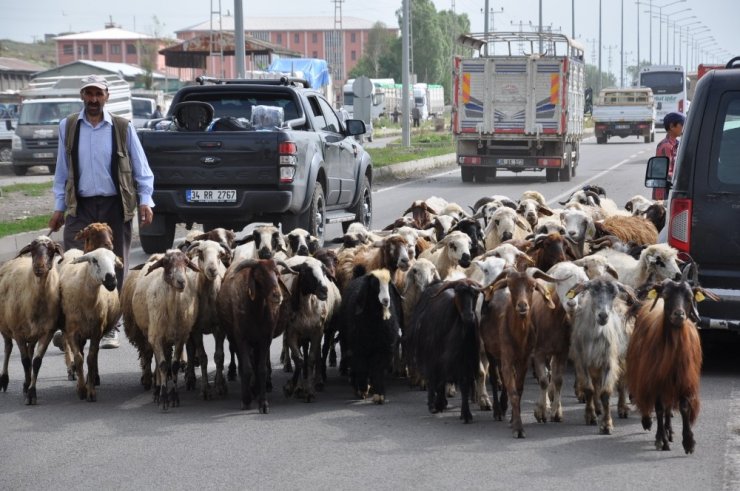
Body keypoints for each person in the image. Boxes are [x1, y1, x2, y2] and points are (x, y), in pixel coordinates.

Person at [49, 74, 155, 349]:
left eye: (98, 94)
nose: (93, 99)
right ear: (82, 96)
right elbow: (62, 170)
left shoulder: (121, 127)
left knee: (114, 264)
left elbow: (141, 168)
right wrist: (59, 207)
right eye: (89, 94)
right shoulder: (69, 126)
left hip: (113, 205)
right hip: (80, 205)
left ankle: (111, 326)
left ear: (106, 97)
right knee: (72, 261)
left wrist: (145, 200)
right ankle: (71, 323)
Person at [653, 111, 685, 200]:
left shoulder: (677, 144)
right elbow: (665, 173)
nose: (684, 127)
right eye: (682, 124)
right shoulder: (666, 146)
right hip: (665, 192)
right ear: (672, 126)